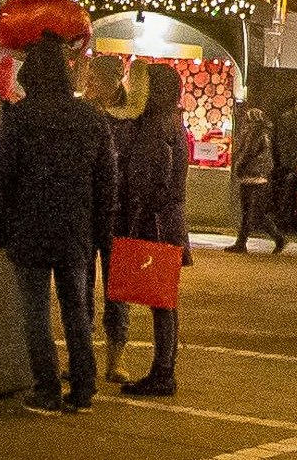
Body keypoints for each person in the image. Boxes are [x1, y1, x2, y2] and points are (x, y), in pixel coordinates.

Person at [0, 33, 117, 415]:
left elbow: (0, 179)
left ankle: (47, 389)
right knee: (76, 307)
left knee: (36, 311)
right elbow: (107, 181)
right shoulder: (91, 119)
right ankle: (84, 387)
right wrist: (102, 232)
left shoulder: (20, 118)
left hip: (30, 227)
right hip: (76, 230)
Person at [103, 62, 187, 396]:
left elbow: (150, 179)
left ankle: (164, 372)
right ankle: (163, 369)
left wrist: (132, 216)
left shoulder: (156, 126)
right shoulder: (168, 122)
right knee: (162, 301)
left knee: (162, 301)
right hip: (164, 221)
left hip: (156, 223)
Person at [227, 106, 283, 254]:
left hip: (251, 176)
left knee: (252, 213)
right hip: (260, 176)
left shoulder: (254, 132)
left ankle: (278, 238)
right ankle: (241, 242)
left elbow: (248, 152)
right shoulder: (266, 132)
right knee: (253, 213)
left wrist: (238, 167)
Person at [273, 97, 297, 236]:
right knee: (288, 193)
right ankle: (284, 221)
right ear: (296, 104)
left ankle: (290, 221)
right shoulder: (288, 119)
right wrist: (288, 162)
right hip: (290, 163)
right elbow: (283, 142)